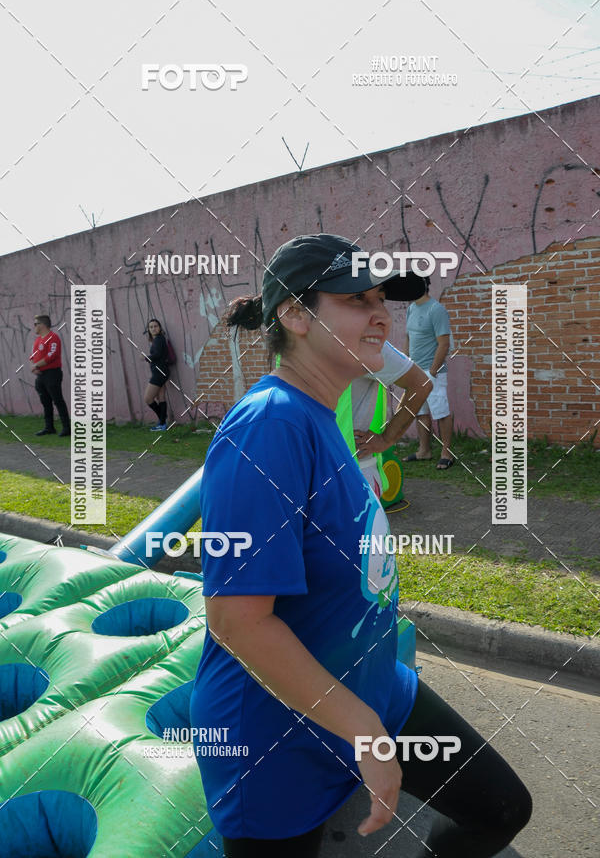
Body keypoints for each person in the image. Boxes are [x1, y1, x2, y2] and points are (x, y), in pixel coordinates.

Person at [190, 234, 531, 858]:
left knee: (500, 807)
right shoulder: (269, 425)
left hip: (374, 693)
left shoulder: (324, 414)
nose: (381, 314)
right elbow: (237, 620)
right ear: (294, 314)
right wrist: (363, 733)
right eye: (356, 299)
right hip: (277, 738)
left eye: (383, 299)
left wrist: (368, 717)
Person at [350, 340, 432, 499]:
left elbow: (420, 384)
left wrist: (386, 439)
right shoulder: (294, 338)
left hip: (355, 472)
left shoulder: (362, 338)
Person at [404, 277, 454, 469]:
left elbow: (444, 343)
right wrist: (405, 363)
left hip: (433, 372)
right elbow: (408, 337)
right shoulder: (411, 308)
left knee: (440, 411)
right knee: (421, 411)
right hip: (414, 371)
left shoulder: (436, 309)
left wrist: (433, 370)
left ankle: (446, 452)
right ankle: (424, 451)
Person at [29, 315, 70, 437]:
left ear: (42, 325)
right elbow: (32, 356)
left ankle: (66, 428)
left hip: (52, 373)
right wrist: (34, 367)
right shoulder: (37, 340)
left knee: (58, 400)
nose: (34, 327)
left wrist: (36, 365)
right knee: (45, 402)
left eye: (36, 324)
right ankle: (49, 427)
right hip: (40, 375)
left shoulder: (53, 338)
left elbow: (51, 355)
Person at [143, 318, 169, 430]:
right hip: (162, 372)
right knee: (161, 397)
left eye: (155, 326)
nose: (153, 328)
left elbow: (157, 354)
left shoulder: (159, 339)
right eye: (151, 327)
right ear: (148, 330)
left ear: (160, 327)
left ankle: (162, 420)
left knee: (148, 399)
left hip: (159, 373)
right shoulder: (158, 339)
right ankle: (162, 423)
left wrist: (146, 357)